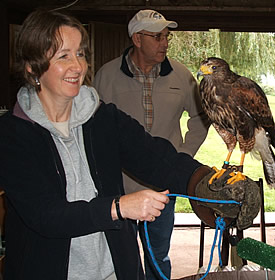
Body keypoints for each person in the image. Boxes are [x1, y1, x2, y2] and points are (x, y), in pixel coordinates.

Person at [0, 9, 205, 280]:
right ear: (32, 67)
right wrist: (119, 207)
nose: (77, 66)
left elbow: (152, 155)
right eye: (64, 56)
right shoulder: (12, 133)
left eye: (80, 54)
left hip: (113, 271)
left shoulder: (101, 116)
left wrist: (203, 180)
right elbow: (46, 215)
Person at [93, 9, 210, 279]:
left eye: (167, 36)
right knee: (120, 258)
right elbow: (93, 126)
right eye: (157, 37)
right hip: (118, 189)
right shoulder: (106, 76)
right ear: (136, 39)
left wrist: (181, 155)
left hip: (162, 190)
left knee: (158, 257)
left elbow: (201, 117)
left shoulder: (182, 76)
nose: (165, 42)